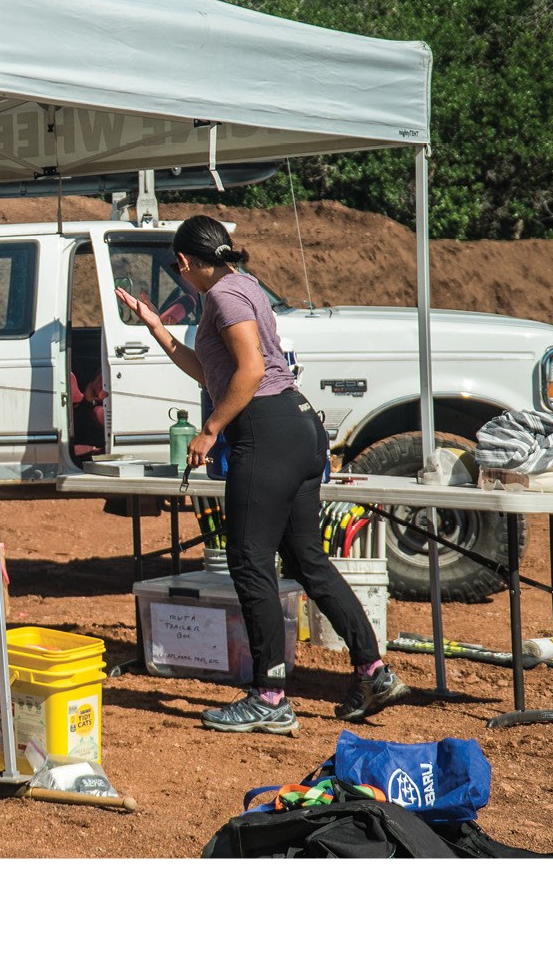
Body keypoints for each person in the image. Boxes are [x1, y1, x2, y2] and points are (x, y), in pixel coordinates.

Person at [119, 215, 409, 731]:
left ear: (184, 262)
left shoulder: (223, 299)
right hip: (297, 426)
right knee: (306, 561)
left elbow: (250, 371)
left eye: (175, 266)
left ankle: (270, 698)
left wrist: (210, 430)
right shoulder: (245, 286)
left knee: (250, 564)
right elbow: (216, 371)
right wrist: (158, 330)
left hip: (267, 433)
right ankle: (373, 668)